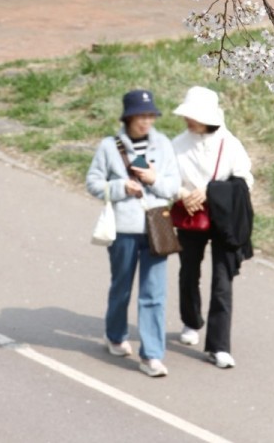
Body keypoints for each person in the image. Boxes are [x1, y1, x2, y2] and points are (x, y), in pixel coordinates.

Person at [86, 88, 180, 377]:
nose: (146, 122)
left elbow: (173, 186)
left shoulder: (163, 145)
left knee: (154, 293)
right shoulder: (109, 147)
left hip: (158, 227)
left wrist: (153, 179)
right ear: (128, 118)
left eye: (150, 116)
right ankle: (114, 335)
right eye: (141, 116)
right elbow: (93, 183)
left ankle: (151, 355)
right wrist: (120, 188)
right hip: (125, 230)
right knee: (122, 287)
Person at [171, 86, 253, 369]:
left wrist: (209, 191)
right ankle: (191, 322)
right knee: (188, 272)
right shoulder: (177, 145)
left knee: (222, 281)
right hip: (190, 217)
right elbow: (167, 179)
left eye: (194, 116)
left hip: (223, 221)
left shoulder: (230, 144)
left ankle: (219, 345)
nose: (189, 122)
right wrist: (183, 195)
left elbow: (244, 181)